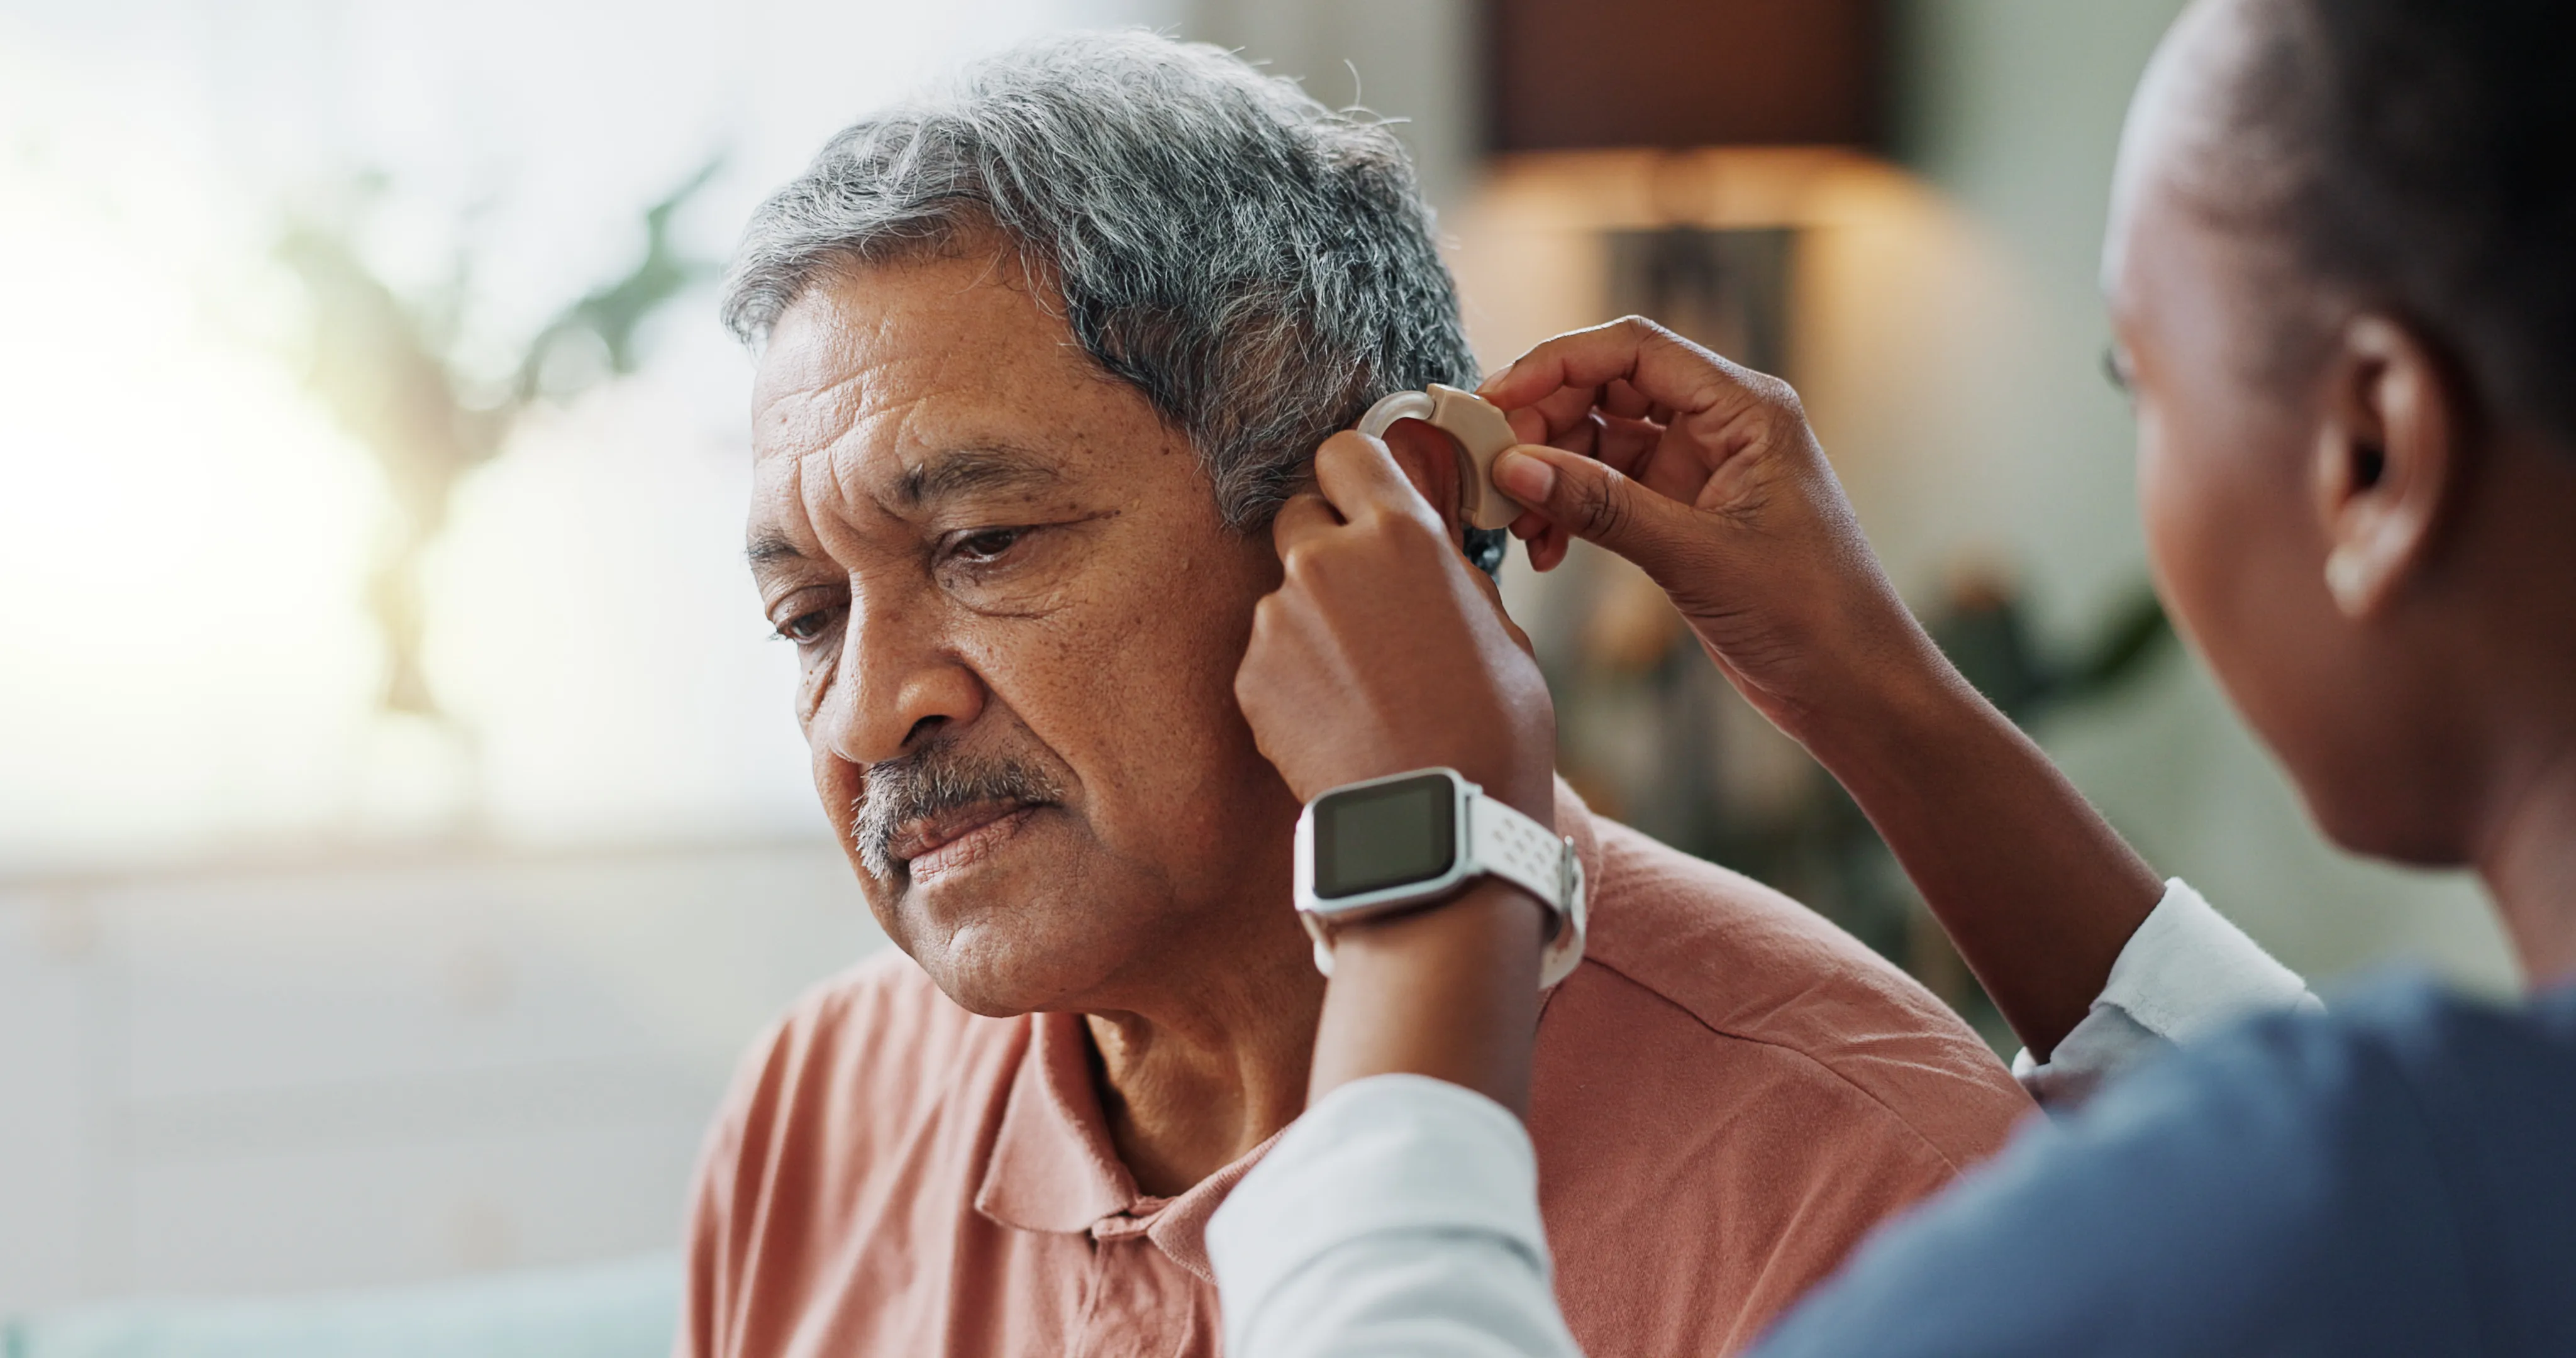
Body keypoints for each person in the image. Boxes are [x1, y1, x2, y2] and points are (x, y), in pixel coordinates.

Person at [1206, 0, 2576, 1352]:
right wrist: (1866, 683)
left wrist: (1429, 869)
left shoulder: (2246, 1223)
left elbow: (2316, 1203)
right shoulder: (2432, 1198)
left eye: (2136, 376)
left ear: (2373, 456)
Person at [678, 31, 2036, 1358]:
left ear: (1399, 512)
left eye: (983, 545)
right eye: (808, 617)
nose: (867, 712)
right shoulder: (816, 1111)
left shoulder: (1863, 1189)